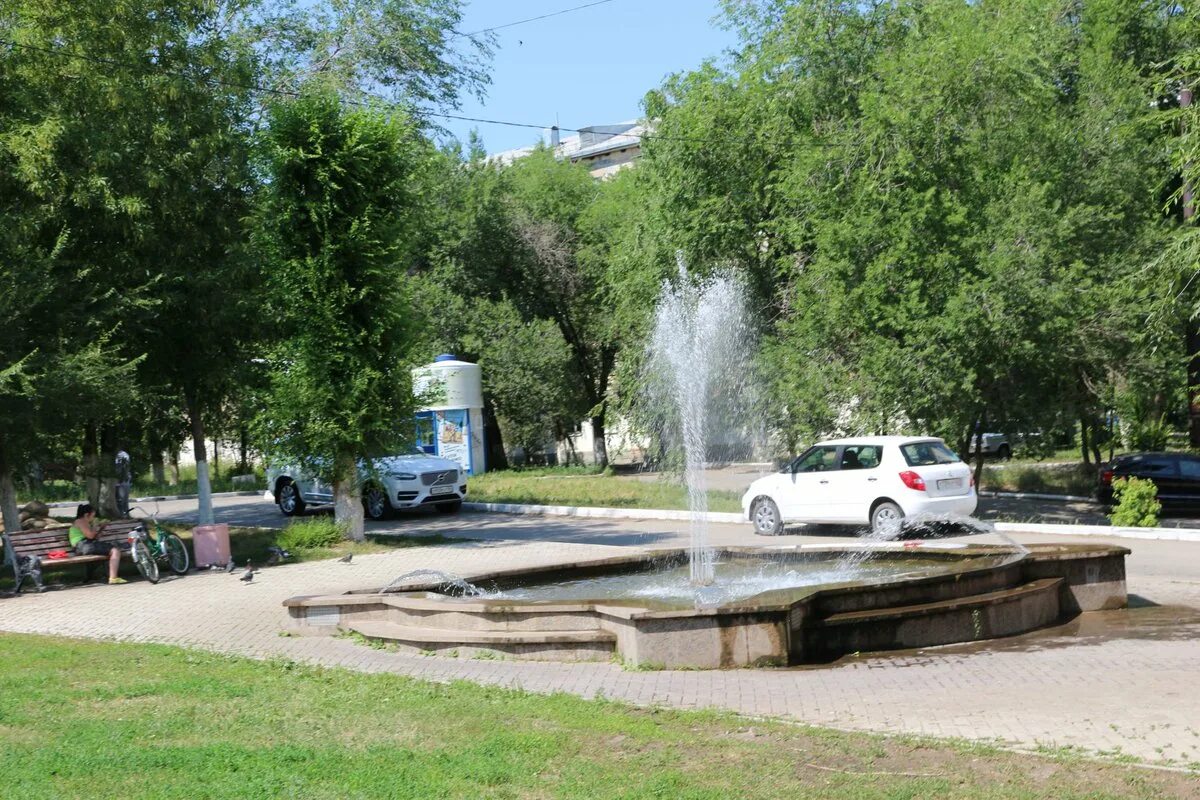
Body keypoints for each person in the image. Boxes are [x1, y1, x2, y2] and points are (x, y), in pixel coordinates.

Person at [70, 503, 126, 585]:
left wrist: (102, 527)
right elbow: (90, 535)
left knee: (108, 552)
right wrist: (95, 525)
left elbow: (93, 537)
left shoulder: (83, 522)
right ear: (86, 515)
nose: (93, 518)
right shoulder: (81, 521)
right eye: (92, 516)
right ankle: (113, 578)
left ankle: (90, 577)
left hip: (84, 546)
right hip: (84, 546)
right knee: (115, 551)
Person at [114, 448, 132, 517]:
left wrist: (121, 479)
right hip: (122, 480)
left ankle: (123, 515)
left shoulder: (122, 455)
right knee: (122, 500)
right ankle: (124, 514)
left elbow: (125, 467)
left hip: (122, 480)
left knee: (121, 500)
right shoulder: (123, 454)